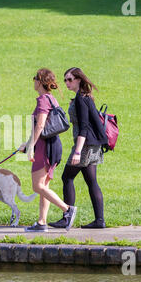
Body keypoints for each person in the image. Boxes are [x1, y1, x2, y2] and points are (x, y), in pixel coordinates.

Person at [18, 68, 77, 232]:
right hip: (53, 145)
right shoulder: (51, 98)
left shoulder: (43, 100)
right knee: (44, 185)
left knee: (37, 186)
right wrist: (27, 143)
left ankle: (68, 210)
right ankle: (42, 222)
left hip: (45, 148)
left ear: (40, 81)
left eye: (34, 78)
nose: (33, 81)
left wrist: (31, 146)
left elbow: (41, 125)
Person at [49, 67, 108, 229]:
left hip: (85, 145)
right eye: (65, 80)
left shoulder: (81, 99)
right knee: (91, 181)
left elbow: (83, 127)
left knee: (67, 177)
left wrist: (77, 151)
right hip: (94, 145)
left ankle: (67, 217)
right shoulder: (84, 98)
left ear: (79, 80)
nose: (67, 83)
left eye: (70, 79)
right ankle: (99, 220)